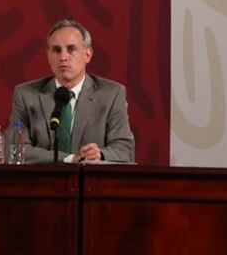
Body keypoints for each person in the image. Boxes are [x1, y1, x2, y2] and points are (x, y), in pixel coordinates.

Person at [10, 19, 134, 163]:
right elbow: (14, 148)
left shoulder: (111, 94)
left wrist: (100, 154)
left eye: (71, 49)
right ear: (48, 56)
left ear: (87, 54)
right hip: (40, 182)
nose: (63, 57)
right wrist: (69, 159)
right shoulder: (26, 95)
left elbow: (125, 149)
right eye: (56, 50)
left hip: (89, 182)